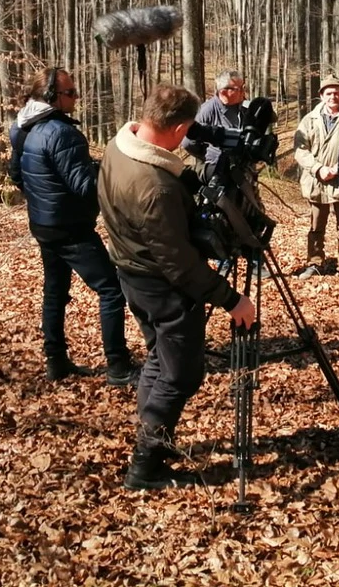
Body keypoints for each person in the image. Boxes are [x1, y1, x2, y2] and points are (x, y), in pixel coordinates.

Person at [98, 84, 257, 490]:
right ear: (182, 126)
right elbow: (181, 265)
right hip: (161, 285)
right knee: (181, 374)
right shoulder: (155, 187)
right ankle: (145, 465)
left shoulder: (119, 147)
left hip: (132, 273)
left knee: (159, 359)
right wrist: (232, 299)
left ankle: (155, 441)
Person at [9, 68, 140, 386]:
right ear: (52, 97)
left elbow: (16, 174)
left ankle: (56, 362)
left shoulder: (22, 127)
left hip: (43, 223)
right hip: (70, 227)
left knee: (55, 291)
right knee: (111, 289)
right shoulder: (62, 133)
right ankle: (118, 366)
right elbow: (84, 186)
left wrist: (43, 197)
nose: (75, 97)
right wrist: (108, 175)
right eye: (70, 93)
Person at [293, 75, 339, 279]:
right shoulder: (309, 120)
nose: (333, 96)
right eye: (329, 93)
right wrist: (318, 168)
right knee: (316, 226)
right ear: (321, 96)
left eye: (337, 92)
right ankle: (315, 263)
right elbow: (300, 150)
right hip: (316, 181)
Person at [182, 69, 247, 174]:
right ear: (223, 92)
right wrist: (209, 154)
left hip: (242, 170)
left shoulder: (244, 108)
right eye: (238, 89)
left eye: (243, 87)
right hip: (217, 170)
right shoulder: (206, 111)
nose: (243, 92)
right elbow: (188, 142)